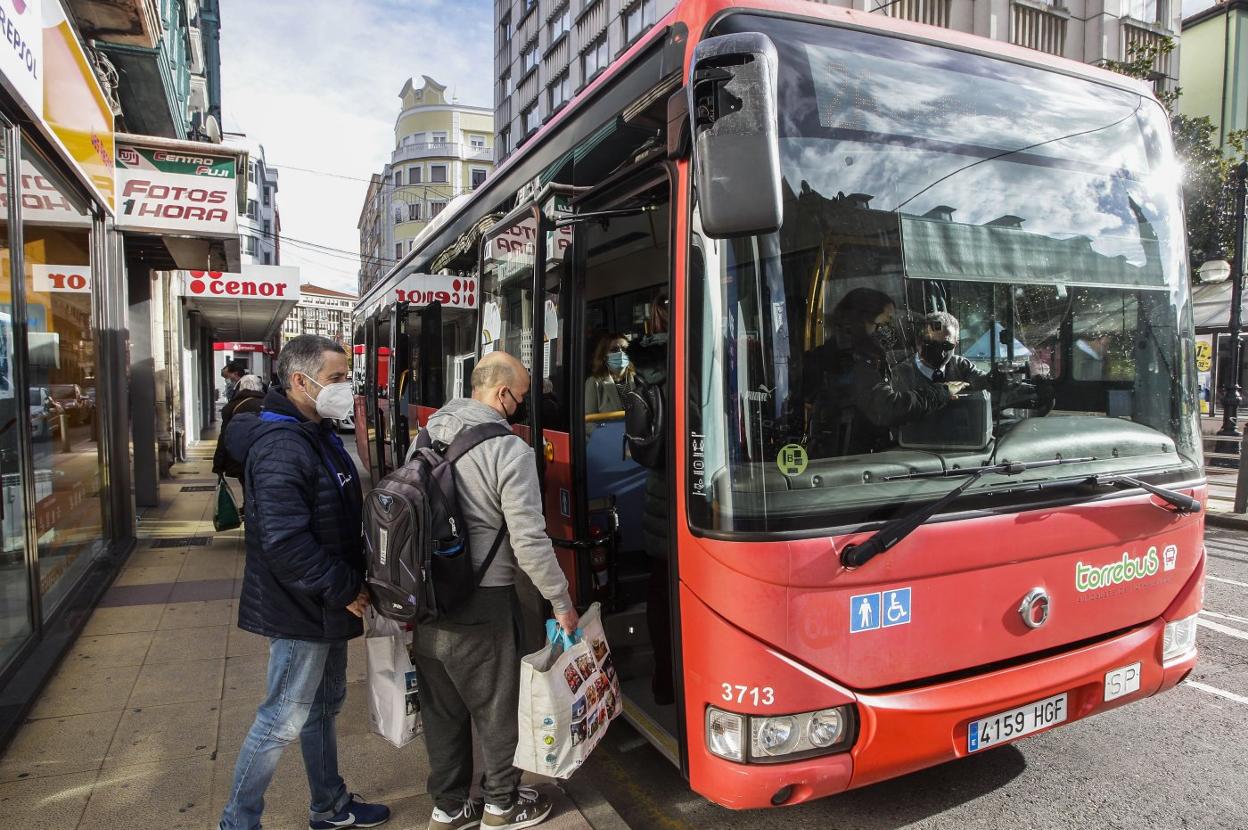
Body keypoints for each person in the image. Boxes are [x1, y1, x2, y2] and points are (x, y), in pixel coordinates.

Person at [219, 335, 388, 830]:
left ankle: (330, 806)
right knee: (281, 720)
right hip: (300, 606)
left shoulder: (316, 431)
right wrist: (344, 587)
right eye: (336, 379)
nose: (345, 388)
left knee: (322, 708)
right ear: (300, 381)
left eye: (345, 377)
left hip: (323, 600)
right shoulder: (281, 445)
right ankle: (238, 822)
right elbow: (284, 540)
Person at [414, 350, 578, 830]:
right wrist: (561, 601)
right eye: (523, 396)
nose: (523, 405)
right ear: (503, 393)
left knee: (442, 709)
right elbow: (529, 540)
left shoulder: (429, 433)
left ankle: (448, 807)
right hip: (483, 598)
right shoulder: (508, 450)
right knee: (497, 705)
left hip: (426, 595)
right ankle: (502, 804)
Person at [802, 288, 960, 456]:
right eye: (886, 323)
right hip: (849, 462)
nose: (890, 329)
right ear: (862, 321)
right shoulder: (851, 361)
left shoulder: (840, 353)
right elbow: (886, 408)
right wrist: (940, 392)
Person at [622, 290, 674, 706]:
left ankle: (665, 682)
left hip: (661, 488)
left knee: (662, 592)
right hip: (696, 489)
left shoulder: (646, 365)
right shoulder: (699, 351)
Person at [892, 311, 984, 394]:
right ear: (918, 343)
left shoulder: (962, 366)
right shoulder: (899, 377)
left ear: (956, 344)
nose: (940, 352)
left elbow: (987, 381)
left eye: (946, 345)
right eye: (932, 345)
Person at [212, 374, 264, 481]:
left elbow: (224, 437)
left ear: (240, 387)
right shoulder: (270, 404)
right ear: (260, 387)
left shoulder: (232, 407)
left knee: (246, 487)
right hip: (265, 457)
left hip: (240, 459)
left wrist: (219, 465)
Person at [584, 333, 633, 435]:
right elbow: (588, 423)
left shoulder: (636, 380)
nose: (621, 353)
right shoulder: (594, 382)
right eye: (614, 350)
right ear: (604, 356)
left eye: (624, 349)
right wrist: (607, 438)